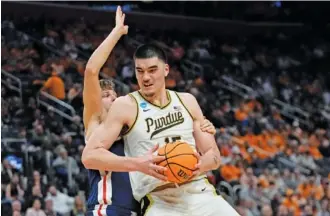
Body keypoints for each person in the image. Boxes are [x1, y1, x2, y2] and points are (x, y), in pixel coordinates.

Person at [82, 9, 239, 216]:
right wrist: (117, 32)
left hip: (187, 195)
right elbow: (92, 70)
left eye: (152, 70)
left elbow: (213, 155)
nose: (112, 98)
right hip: (115, 206)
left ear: (166, 70)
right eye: (139, 71)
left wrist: (196, 164)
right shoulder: (104, 118)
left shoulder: (184, 102)